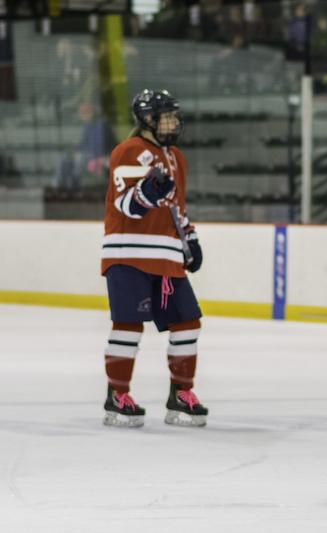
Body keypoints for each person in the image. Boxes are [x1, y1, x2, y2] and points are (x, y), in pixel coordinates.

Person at [102, 89, 208, 428]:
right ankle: (117, 395)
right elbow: (125, 205)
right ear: (147, 119)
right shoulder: (129, 151)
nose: (173, 122)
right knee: (129, 325)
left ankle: (181, 394)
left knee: (188, 323)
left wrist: (189, 237)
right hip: (128, 253)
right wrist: (147, 192)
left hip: (166, 256)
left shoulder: (177, 156)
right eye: (166, 116)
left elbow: (177, 207)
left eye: (174, 116)